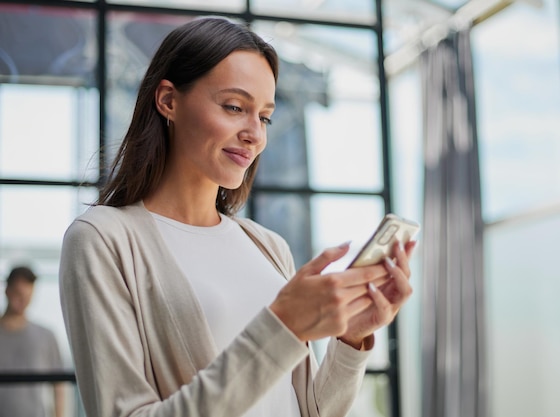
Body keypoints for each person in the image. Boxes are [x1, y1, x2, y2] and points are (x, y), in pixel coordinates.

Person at [59, 16, 417, 417]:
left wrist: (352, 338)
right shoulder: (103, 240)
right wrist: (282, 327)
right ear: (168, 101)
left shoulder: (267, 246)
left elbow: (310, 411)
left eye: (264, 116)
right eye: (234, 107)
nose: (255, 134)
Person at [0, 266, 64, 417]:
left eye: (27, 297)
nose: (23, 302)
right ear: (7, 291)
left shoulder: (46, 336)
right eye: (18, 295)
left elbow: (59, 385)